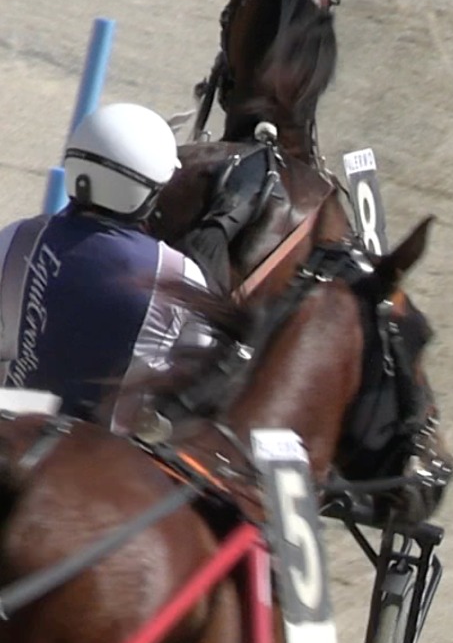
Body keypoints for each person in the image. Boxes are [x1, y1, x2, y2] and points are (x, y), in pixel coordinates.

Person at [0, 101, 271, 434]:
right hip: (100, 451)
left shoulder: (18, 235)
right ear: (146, 191)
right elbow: (196, 377)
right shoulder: (178, 274)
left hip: (10, 424)